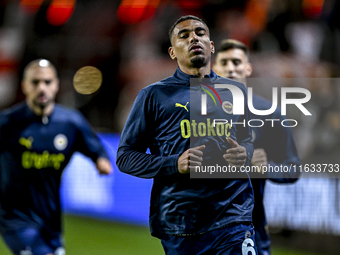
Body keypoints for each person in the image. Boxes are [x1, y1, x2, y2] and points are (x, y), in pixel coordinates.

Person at [117, 15, 258, 254]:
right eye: (184, 35)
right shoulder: (153, 96)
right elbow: (126, 156)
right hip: (182, 224)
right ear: (172, 52)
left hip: (233, 217)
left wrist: (244, 153)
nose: (194, 37)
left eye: (200, 33)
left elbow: (247, 141)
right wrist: (174, 163)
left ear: (211, 46)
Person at [0, 59, 112, 255]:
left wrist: (101, 161)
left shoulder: (70, 123)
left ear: (57, 85)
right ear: (25, 86)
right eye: (35, 82)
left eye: (47, 82)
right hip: (15, 218)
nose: (42, 88)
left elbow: (96, 149)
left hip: (50, 219)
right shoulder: (8, 123)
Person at [213, 39, 301, 255]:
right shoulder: (195, 112)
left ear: (248, 68)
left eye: (237, 61)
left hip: (248, 229)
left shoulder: (269, 113)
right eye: (224, 62)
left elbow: (293, 168)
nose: (231, 68)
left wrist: (266, 167)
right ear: (214, 69)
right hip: (202, 229)